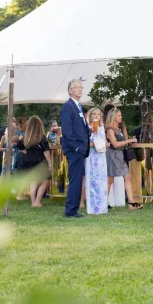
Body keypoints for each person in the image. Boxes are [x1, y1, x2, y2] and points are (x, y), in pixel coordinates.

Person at [61, 79, 90, 218]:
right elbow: (67, 131)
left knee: (78, 180)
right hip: (75, 151)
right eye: (76, 87)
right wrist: (77, 148)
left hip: (80, 150)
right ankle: (71, 211)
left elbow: (79, 128)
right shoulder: (68, 106)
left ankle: (73, 208)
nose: (80, 89)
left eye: (81, 87)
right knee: (75, 180)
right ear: (70, 91)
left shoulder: (77, 106)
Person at [106, 108, 142, 210]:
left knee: (127, 177)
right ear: (113, 117)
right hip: (113, 156)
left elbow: (121, 143)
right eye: (119, 115)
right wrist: (129, 140)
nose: (121, 117)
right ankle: (103, 202)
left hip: (120, 156)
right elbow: (115, 144)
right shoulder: (110, 130)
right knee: (110, 179)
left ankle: (131, 202)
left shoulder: (119, 129)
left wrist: (128, 141)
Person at [16, 116, 53, 207]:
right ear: (40, 126)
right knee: (45, 181)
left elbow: (19, 146)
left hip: (29, 161)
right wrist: (50, 162)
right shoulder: (42, 137)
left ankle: (33, 202)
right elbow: (46, 151)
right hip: (40, 161)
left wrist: (27, 152)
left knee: (33, 182)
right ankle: (37, 201)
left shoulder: (26, 137)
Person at [85, 107, 108, 215]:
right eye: (94, 114)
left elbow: (104, 141)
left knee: (101, 181)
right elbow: (87, 143)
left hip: (101, 156)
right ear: (90, 116)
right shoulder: (87, 128)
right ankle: (93, 208)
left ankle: (102, 207)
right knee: (92, 181)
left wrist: (104, 143)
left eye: (98, 114)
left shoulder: (102, 127)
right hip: (92, 157)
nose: (96, 116)